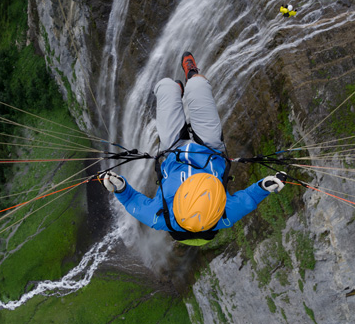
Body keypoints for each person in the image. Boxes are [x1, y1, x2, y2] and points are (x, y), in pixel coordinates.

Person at [100, 51, 287, 246]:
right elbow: (249, 198)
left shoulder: (161, 218)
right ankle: (192, 74)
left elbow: (131, 201)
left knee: (165, 87)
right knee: (197, 86)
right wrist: (266, 186)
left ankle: (177, 90)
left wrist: (119, 188)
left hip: (173, 149)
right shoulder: (222, 217)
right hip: (210, 147)